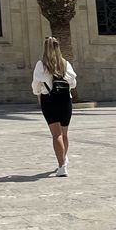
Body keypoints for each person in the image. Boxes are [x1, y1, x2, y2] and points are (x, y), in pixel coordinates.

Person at [32, 37, 78, 177]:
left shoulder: (41, 65)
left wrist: (38, 93)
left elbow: (36, 85)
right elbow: (73, 83)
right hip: (65, 100)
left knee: (56, 134)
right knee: (64, 133)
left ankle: (61, 166)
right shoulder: (65, 64)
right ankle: (63, 158)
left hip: (49, 100)